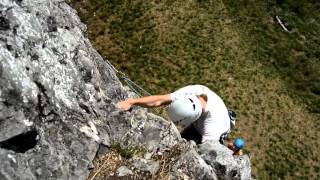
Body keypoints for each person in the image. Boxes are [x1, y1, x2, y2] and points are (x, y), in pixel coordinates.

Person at [117, 84, 234, 144]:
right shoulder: (193, 92)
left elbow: (209, 151)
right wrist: (132, 102)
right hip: (200, 122)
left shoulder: (212, 126)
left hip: (218, 129)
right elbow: (160, 100)